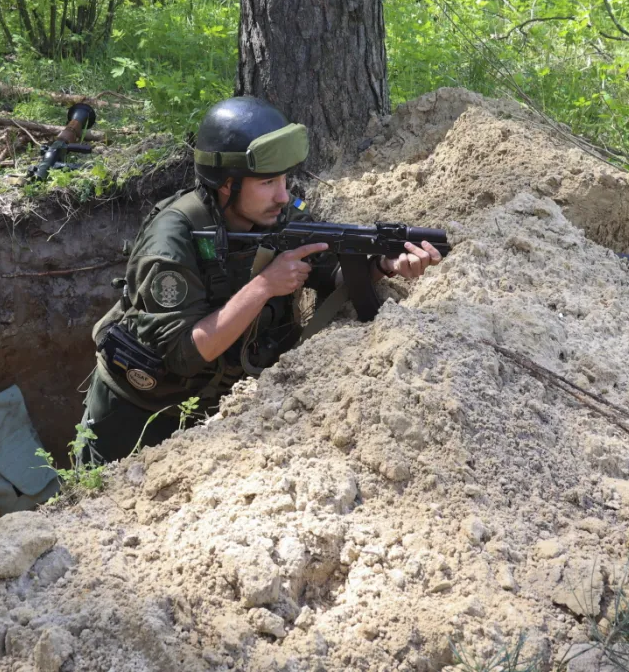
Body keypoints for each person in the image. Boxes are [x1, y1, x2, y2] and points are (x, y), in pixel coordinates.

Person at [80, 97, 442, 463]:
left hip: (219, 415)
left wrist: (383, 264)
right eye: (268, 181)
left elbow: (329, 273)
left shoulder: (278, 214)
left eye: (285, 179)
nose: (283, 195)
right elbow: (184, 354)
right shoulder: (172, 239)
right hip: (140, 416)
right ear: (227, 185)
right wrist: (265, 285)